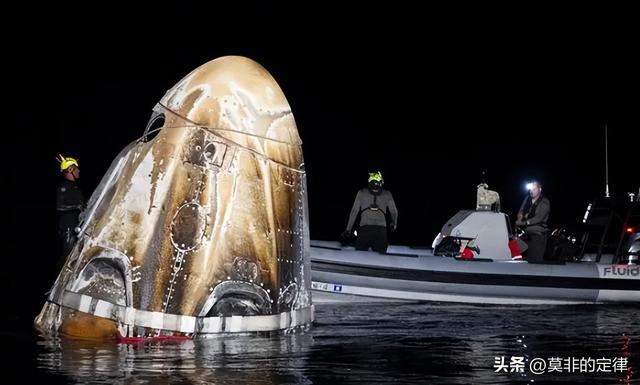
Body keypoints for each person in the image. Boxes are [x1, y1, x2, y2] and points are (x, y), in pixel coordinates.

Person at [342, 171, 398, 253]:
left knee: (360, 255)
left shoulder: (361, 192)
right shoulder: (387, 194)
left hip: (365, 229)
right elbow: (394, 212)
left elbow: (354, 211)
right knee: (381, 258)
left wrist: (348, 229)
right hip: (381, 231)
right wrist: (394, 223)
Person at [56, 154, 85, 257]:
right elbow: (59, 206)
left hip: (77, 228)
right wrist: (76, 206)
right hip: (68, 230)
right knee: (68, 258)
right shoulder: (64, 186)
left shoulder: (75, 187)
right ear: (70, 169)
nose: (78, 171)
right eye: (76, 169)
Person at [516, 181, 550, 262]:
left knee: (535, 260)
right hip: (525, 234)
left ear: (540, 189)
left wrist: (524, 222)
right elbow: (521, 210)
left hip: (537, 236)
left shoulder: (545, 202)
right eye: (530, 189)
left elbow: (539, 218)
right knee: (517, 255)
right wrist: (520, 217)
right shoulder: (527, 198)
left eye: (534, 189)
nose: (531, 191)